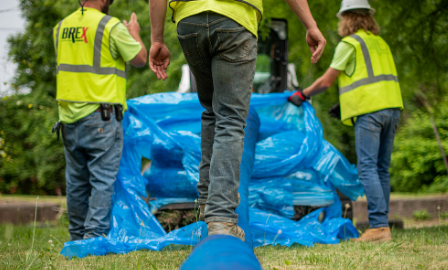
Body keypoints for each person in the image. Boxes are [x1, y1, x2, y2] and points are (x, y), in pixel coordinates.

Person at [148, 0, 326, 241]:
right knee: (230, 119)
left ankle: (207, 205)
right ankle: (221, 218)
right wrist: (311, 25)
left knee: (212, 111)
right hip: (235, 16)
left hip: (190, 20)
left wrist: (157, 40)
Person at [289, 0, 403, 243]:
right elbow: (373, 77)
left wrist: (303, 94)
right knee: (381, 168)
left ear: (347, 19)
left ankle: (379, 227)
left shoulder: (349, 43)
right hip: (392, 109)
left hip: (370, 113)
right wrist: (345, 105)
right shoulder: (380, 43)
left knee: (367, 168)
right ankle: (381, 225)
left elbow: (327, 81)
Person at [53, 0, 147, 241]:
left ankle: (76, 238)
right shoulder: (110, 26)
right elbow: (139, 58)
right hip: (100, 118)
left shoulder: (61, 28)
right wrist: (134, 34)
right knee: (102, 181)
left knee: (75, 183)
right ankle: (94, 239)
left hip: (68, 118)